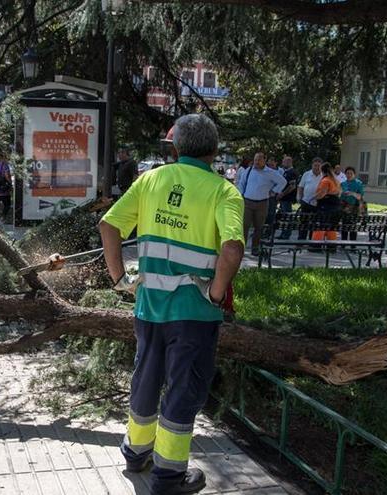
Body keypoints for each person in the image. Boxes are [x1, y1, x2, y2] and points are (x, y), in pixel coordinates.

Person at [100, 114, 244, 495]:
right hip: (195, 315)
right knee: (183, 392)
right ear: (213, 152)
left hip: (149, 307)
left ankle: (136, 454)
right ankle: (168, 477)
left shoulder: (150, 180)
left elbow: (109, 226)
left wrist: (119, 280)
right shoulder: (223, 192)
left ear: (176, 148)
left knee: (145, 380)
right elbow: (232, 248)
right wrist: (216, 293)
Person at [236, 152, 286, 256]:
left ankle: (255, 248)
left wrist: (274, 191)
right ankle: (241, 249)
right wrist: (240, 195)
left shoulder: (270, 172)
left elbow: (283, 182)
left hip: (262, 203)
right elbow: (242, 183)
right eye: (255, 159)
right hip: (248, 202)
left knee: (259, 227)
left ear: (264, 160)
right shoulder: (249, 170)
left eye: (259, 160)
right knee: (244, 226)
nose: (256, 162)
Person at [296, 158, 323, 240]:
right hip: (306, 202)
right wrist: (299, 197)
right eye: (315, 165)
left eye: (318, 166)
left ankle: (312, 242)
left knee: (315, 224)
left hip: (318, 203)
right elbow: (301, 187)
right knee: (304, 223)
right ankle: (301, 241)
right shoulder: (306, 174)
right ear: (312, 165)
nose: (316, 167)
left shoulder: (324, 176)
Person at [275, 155, 298, 239]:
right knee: (283, 216)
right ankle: (283, 233)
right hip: (283, 198)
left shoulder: (292, 172)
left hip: (287, 198)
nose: (282, 163)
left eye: (284, 162)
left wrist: (283, 194)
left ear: (289, 162)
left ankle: (286, 234)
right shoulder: (286, 172)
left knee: (287, 216)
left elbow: (292, 186)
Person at [340, 166, 365, 240]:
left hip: (354, 208)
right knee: (344, 227)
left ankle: (352, 245)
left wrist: (352, 193)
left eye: (351, 173)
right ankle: (343, 244)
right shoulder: (343, 183)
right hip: (344, 207)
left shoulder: (359, 183)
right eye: (347, 173)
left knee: (353, 227)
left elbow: (360, 197)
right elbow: (340, 195)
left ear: (354, 174)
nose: (349, 175)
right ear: (345, 174)